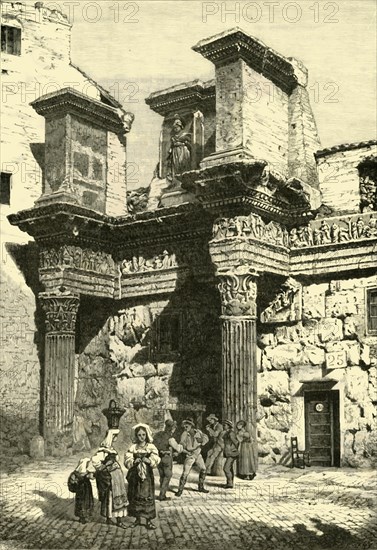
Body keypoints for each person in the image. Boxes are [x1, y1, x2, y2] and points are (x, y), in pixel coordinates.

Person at [124, 423, 160, 530]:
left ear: (146, 435)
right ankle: (137, 519)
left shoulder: (150, 447)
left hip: (147, 477)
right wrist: (133, 461)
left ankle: (148, 521)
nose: (141, 437)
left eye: (143, 435)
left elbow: (156, 458)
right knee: (136, 495)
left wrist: (149, 460)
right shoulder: (133, 447)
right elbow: (127, 459)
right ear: (136, 436)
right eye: (139, 435)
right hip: (136, 476)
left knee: (147, 496)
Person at [91, 429, 128, 527]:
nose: (116, 438)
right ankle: (112, 519)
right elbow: (95, 461)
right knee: (110, 498)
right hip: (110, 478)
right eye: (115, 436)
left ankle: (117, 519)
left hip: (117, 477)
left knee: (118, 497)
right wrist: (104, 467)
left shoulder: (111, 449)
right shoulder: (104, 450)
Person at [153, 419, 186, 501]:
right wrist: (182, 445)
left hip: (158, 458)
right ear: (172, 428)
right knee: (167, 476)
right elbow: (178, 448)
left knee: (162, 476)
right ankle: (162, 495)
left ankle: (162, 493)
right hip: (166, 458)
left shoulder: (157, 435)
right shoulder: (170, 438)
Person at [176, 418, 209, 497]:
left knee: (203, 469)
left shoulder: (198, 432)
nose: (185, 426)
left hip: (198, 454)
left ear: (191, 425)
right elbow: (181, 445)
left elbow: (206, 439)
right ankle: (180, 490)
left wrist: (201, 441)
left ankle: (201, 487)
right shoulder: (184, 434)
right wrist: (185, 452)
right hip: (190, 455)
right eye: (184, 425)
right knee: (185, 472)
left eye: (187, 425)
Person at [67, 457, 95, 524]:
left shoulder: (85, 472)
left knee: (87, 502)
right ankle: (82, 518)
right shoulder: (77, 473)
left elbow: (92, 476)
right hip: (81, 490)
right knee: (82, 503)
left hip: (87, 489)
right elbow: (72, 482)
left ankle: (85, 516)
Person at [166, 115, 191, 184]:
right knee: (175, 165)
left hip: (183, 151)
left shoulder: (185, 135)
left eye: (177, 127)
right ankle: (176, 181)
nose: (176, 128)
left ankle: (185, 179)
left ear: (181, 126)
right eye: (174, 128)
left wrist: (184, 144)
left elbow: (189, 144)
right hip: (175, 152)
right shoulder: (173, 137)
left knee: (183, 163)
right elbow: (171, 147)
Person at [222, 420, 239, 489]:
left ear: (228, 426)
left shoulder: (231, 433)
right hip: (228, 453)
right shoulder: (227, 433)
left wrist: (234, 450)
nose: (223, 426)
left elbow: (236, 442)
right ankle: (230, 483)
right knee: (230, 468)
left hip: (232, 453)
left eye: (225, 425)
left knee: (226, 468)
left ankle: (229, 483)